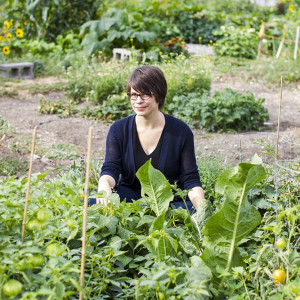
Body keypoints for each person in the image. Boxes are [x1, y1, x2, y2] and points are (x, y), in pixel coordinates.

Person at [92, 65, 205, 213]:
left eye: (145, 95)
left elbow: (191, 180)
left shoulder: (181, 132)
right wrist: (104, 185)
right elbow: (111, 169)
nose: (138, 101)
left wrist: (202, 209)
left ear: (159, 94)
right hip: (129, 199)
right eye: (133, 95)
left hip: (168, 203)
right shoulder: (119, 129)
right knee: (91, 202)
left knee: (189, 211)